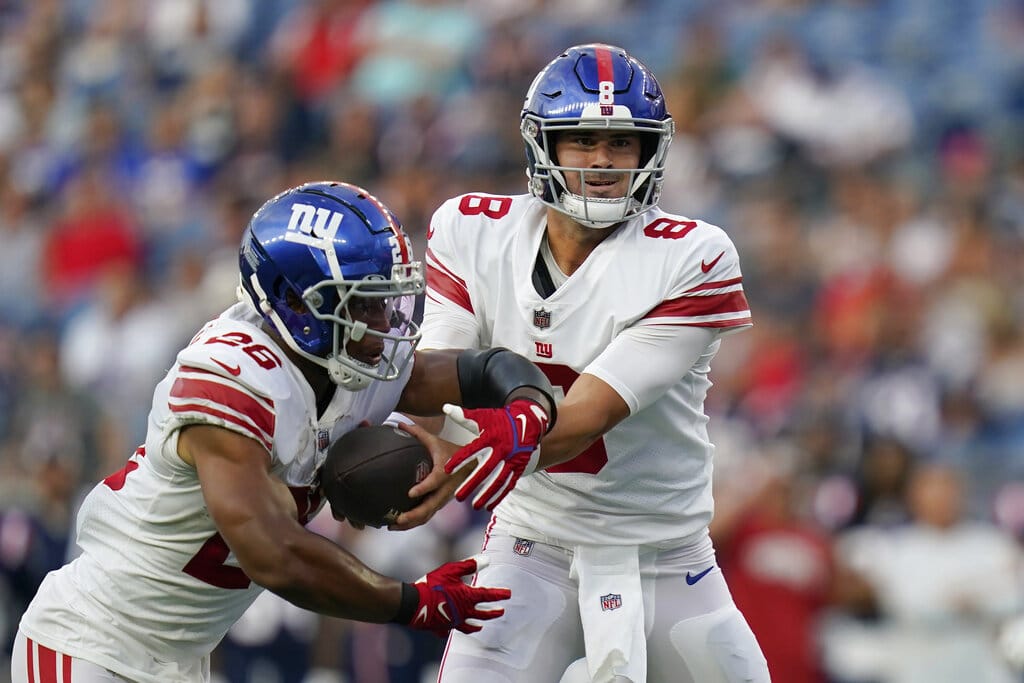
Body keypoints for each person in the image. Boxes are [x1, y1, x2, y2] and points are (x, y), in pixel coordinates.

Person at [11, 181, 556, 683]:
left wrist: (527, 409)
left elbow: (481, 370)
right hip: (91, 641)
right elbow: (272, 553)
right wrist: (408, 602)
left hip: (178, 659)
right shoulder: (232, 373)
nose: (387, 322)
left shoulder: (342, 358)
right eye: (363, 302)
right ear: (298, 302)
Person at [396, 44, 771, 682]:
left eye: (622, 144)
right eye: (581, 140)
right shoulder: (471, 231)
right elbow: (436, 373)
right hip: (530, 544)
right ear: (544, 145)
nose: (601, 161)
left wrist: (481, 451)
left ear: (650, 152)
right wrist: (409, 458)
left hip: (663, 556)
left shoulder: (692, 255)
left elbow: (588, 412)